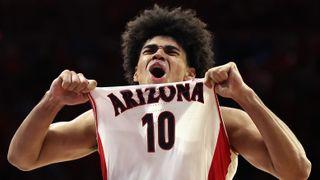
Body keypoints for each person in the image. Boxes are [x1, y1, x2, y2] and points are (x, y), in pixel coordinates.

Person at [8, 5, 311, 180]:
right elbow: (22, 158)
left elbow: (297, 171)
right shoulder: (106, 119)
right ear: (137, 73)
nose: (158, 55)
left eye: (172, 52)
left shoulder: (223, 118)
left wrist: (247, 96)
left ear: (191, 74)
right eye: (149, 50)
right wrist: (53, 101)